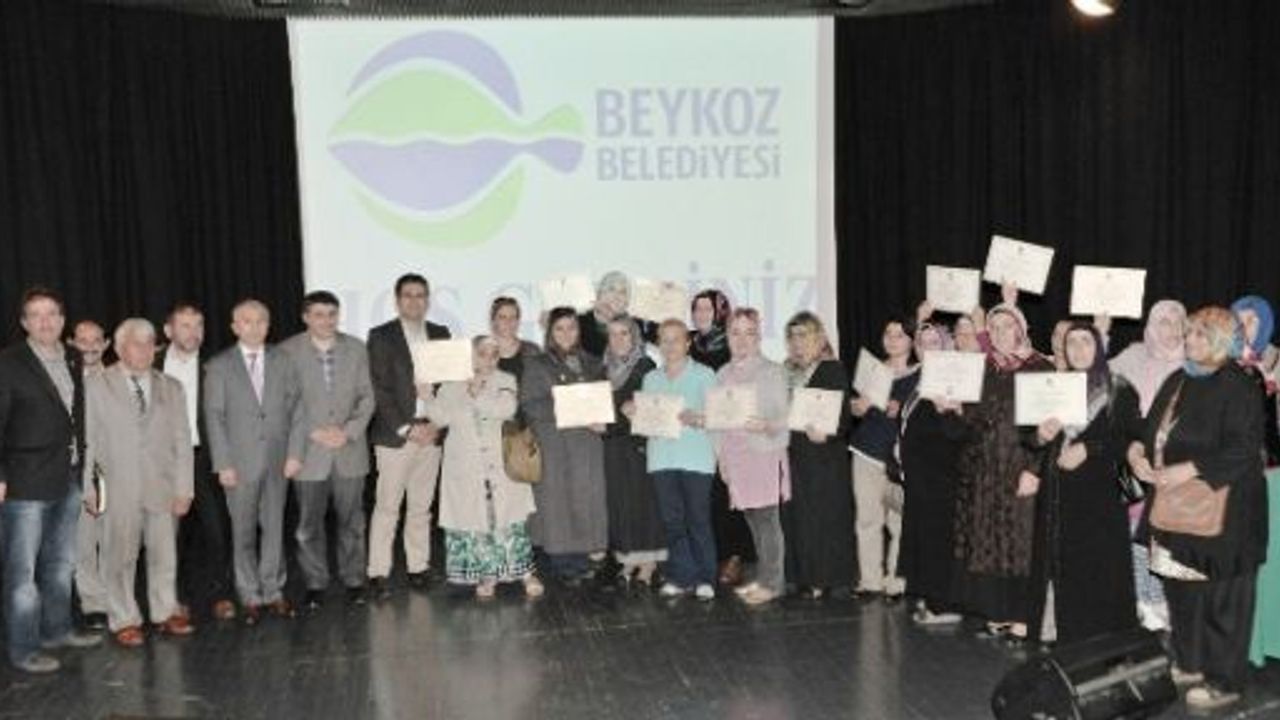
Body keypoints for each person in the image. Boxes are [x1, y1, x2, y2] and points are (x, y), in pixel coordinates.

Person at [1128, 306, 1268, 712]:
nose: (1188, 340)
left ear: (1222, 342)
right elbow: (1149, 429)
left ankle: (1224, 681)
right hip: (1176, 508)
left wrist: (1189, 469)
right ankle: (1190, 663)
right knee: (1182, 590)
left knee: (1225, 600)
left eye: (1199, 335)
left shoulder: (1239, 385)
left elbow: (1244, 449)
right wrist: (1137, 454)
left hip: (1228, 513)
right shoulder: (1179, 379)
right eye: (1188, 333)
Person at [0, 287, 102, 673]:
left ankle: (57, 631)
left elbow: (76, 418)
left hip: (67, 477)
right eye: (36, 315)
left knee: (61, 563)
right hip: (23, 484)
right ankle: (24, 649)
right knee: (22, 573)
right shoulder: (8, 363)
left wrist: (86, 474)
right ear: (24, 322)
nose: (45, 321)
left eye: (52, 314)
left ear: (62, 319)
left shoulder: (73, 358)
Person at [83, 319, 195, 647]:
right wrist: (89, 488)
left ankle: (165, 611)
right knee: (119, 557)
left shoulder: (172, 387)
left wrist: (185, 488)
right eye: (136, 343)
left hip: (163, 487)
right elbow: (89, 441)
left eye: (149, 343)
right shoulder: (96, 386)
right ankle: (124, 619)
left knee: (165, 555)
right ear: (119, 349)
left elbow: (182, 441)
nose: (145, 350)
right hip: (116, 488)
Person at [1025, 322, 1138, 645]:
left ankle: (1105, 648)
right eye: (1071, 342)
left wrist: (1089, 448)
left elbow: (1130, 439)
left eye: (1086, 341)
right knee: (1068, 574)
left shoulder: (1118, 389)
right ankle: (1071, 645)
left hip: (1101, 500)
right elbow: (1029, 440)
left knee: (1101, 573)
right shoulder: (1055, 387)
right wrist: (1039, 435)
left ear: (1099, 347)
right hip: (1060, 499)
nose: (1077, 349)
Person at [953, 294, 1053, 642]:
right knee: (991, 540)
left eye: (1006, 326)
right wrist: (957, 408)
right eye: (993, 327)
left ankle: (1023, 616)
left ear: (1021, 329)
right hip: (987, 470)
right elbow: (973, 419)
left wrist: (1035, 469)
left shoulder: (1040, 368)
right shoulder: (985, 368)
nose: (998, 332)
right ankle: (997, 612)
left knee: (1022, 542)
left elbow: (1050, 426)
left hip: (1021, 465)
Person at [204, 299, 305, 625]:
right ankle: (249, 595)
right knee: (243, 531)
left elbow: (298, 409)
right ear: (235, 327)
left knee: (275, 528)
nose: (255, 327)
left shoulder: (284, 360)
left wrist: (295, 453)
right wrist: (223, 463)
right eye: (247, 321)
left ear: (269, 325)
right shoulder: (218, 366)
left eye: (261, 320)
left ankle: (273, 591)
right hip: (238, 464)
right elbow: (214, 417)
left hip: (278, 460)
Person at [422, 336, 542, 600]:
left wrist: (476, 394)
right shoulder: (451, 385)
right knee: (477, 518)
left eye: (494, 354)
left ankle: (525, 574)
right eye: (482, 353)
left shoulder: (505, 380)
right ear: (471, 355)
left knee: (509, 519)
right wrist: (428, 397)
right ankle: (487, 575)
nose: (488, 359)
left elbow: (506, 409)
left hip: (501, 465)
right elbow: (441, 419)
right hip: (465, 466)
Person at [281, 291, 376, 610]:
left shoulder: (356, 348)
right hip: (308, 451)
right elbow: (284, 401)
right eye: (319, 314)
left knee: (353, 522)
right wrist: (313, 431)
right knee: (309, 526)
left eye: (332, 314)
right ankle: (315, 584)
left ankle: (354, 581)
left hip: (349, 450)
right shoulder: (287, 351)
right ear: (305, 317)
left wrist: (347, 432)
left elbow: (367, 397)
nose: (326, 321)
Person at [366, 273, 451, 599]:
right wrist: (406, 427)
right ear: (397, 300)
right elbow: (379, 388)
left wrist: (436, 424)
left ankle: (418, 567)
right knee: (387, 507)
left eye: (420, 295)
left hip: (431, 432)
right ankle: (378, 572)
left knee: (421, 507)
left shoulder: (441, 334)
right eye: (408, 295)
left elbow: (450, 385)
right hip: (396, 435)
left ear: (428, 300)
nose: (415, 301)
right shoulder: (381, 336)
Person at [1110, 299, 1187, 632]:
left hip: (1175, 462)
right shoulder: (1132, 357)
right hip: (1133, 457)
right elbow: (1095, 374)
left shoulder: (1195, 363)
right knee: (1133, 531)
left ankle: (1164, 600)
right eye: (1163, 322)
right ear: (1152, 326)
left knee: (1167, 533)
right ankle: (1145, 601)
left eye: (1177, 321)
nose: (1172, 329)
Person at [520, 307, 609, 583]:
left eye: (571, 327)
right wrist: (570, 409)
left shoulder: (594, 363)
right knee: (557, 502)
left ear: (579, 330)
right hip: (554, 444)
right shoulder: (537, 363)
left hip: (587, 445)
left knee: (585, 500)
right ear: (550, 332)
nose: (566, 333)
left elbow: (603, 400)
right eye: (559, 328)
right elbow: (531, 404)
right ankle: (561, 559)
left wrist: (603, 418)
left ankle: (582, 555)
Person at [160, 303, 237, 622]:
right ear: (168, 331)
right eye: (185, 325)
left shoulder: (217, 365)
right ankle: (174, 599)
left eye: (199, 325)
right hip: (164, 462)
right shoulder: (149, 362)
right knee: (170, 536)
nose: (194, 333)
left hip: (206, 457)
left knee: (217, 530)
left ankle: (221, 594)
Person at [634, 320, 719, 599]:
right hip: (661, 460)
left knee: (698, 521)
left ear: (688, 342)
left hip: (697, 460)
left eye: (676, 339)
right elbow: (647, 422)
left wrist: (700, 418)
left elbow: (721, 416)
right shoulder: (651, 379)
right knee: (672, 523)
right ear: (658, 344)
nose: (670, 346)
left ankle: (706, 578)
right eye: (665, 340)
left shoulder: (705, 375)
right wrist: (636, 415)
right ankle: (682, 577)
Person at [712, 308, 791, 606]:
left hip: (764, 454)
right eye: (736, 332)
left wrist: (767, 425)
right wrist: (722, 458)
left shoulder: (772, 371)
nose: (742, 339)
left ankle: (773, 584)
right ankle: (764, 577)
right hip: (736, 457)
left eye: (749, 332)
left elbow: (785, 416)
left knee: (767, 521)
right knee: (753, 520)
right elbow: (718, 422)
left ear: (758, 336)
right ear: (727, 336)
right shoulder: (722, 374)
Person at [896, 319, 967, 625]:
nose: (928, 348)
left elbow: (959, 432)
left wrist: (944, 411)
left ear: (946, 345)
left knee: (939, 540)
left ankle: (944, 605)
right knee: (924, 539)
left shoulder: (954, 380)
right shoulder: (921, 381)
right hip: (921, 479)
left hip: (941, 479)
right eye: (922, 343)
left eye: (934, 342)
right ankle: (929, 597)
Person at [780, 311, 853, 599]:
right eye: (792, 337)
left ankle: (831, 579)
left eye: (804, 335)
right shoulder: (785, 371)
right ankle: (805, 578)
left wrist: (828, 433)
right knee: (801, 519)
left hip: (825, 457)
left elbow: (844, 418)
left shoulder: (831, 369)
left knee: (826, 518)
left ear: (819, 338)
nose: (797, 343)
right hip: (795, 454)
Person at [849, 315, 920, 600]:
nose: (892, 339)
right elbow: (855, 409)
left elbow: (924, 413)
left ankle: (896, 581)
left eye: (899, 334)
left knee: (899, 522)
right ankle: (870, 581)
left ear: (912, 340)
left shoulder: (921, 373)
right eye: (888, 333)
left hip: (900, 459)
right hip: (866, 451)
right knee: (867, 519)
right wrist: (859, 405)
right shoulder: (873, 370)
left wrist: (901, 409)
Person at [690, 289, 754, 587]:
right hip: (698, 433)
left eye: (707, 309)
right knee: (708, 497)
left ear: (720, 313)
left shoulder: (732, 345)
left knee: (730, 495)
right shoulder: (689, 343)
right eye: (697, 309)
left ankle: (734, 557)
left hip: (730, 432)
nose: (701, 314)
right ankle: (712, 555)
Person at [602, 316, 667, 588]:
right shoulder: (604, 369)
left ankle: (649, 562)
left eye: (624, 333)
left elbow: (640, 407)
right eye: (613, 334)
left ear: (635, 337)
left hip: (638, 446)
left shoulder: (645, 366)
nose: (618, 339)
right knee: (621, 503)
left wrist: (612, 419)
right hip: (613, 447)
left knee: (643, 503)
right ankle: (629, 557)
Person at [70, 320, 110, 631]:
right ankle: (94, 603)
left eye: (96, 340)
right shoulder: (64, 381)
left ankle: (115, 598)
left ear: (106, 344)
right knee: (84, 541)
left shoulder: (119, 379)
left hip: (117, 472)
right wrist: (87, 482)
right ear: (71, 344)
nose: (90, 347)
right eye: (83, 341)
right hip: (79, 472)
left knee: (115, 541)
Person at [1230, 295, 1280, 466]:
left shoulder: (1275, 361)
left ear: (1264, 323)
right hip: (1229, 455)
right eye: (1239, 321)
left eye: (1252, 321)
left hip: (1269, 453)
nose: (1245, 327)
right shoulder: (1221, 360)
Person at [578, 271, 632, 358]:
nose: (617, 296)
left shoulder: (633, 327)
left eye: (623, 292)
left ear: (626, 303)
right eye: (611, 289)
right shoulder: (577, 323)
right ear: (600, 294)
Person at [490, 296, 541, 382]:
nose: (508, 322)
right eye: (502, 317)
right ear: (493, 321)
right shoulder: (480, 351)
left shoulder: (533, 351)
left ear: (518, 321)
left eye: (512, 317)